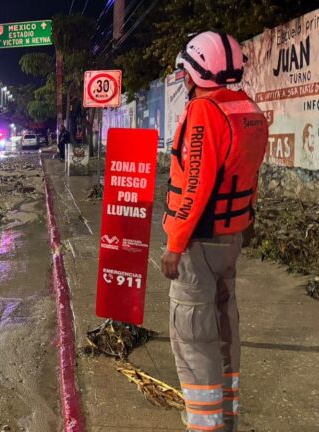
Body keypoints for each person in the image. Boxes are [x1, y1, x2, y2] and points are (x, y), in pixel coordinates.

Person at [162, 32, 268, 432]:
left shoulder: (205, 112)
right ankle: (227, 415)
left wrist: (175, 244)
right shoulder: (248, 109)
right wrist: (247, 220)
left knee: (193, 335)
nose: (183, 78)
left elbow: (195, 186)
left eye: (184, 71)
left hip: (198, 242)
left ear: (194, 72)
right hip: (231, 236)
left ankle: (204, 423)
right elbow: (249, 173)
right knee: (225, 326)